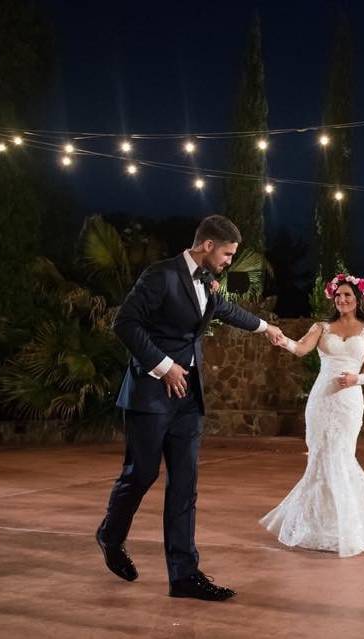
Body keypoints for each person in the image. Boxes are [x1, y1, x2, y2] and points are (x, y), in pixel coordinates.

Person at [97, 215, 284, 601]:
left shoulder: (206, 281)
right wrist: (164, 367)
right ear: (208, 246)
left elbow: (225, 311)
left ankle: (184, 576)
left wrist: (266, 329)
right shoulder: (160, 275)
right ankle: (110, 536)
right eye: (228, 254)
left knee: (185, 486)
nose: (230, 261)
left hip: (188, 400)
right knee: (141, 474)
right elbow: (125, 324)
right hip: (150, 396)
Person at [261, 273, 364, 557]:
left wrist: (356, 379)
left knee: (341, 457)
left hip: (348, 402)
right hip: (321, 401)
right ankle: (317, 527)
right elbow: (300, 349)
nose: (342, 299)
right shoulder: (321, 327)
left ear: (358, 300)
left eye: (347, 296)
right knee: (320, 458)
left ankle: (347, 527)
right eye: (338, 295)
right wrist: (281, 340)